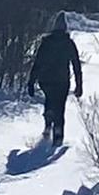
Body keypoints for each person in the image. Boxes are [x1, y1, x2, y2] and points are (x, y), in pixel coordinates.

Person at [26, 13, 83, 148]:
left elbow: (38, 62)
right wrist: (79, 85)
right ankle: (58, 134)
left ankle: (48, 124)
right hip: (62, 80)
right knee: (60, 106)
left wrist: (31, 81)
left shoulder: (46, 43)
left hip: (45, 79)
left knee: (50, 100)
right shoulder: (68, 43)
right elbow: (76, 64)